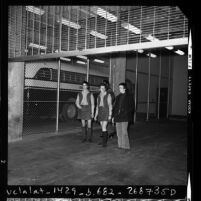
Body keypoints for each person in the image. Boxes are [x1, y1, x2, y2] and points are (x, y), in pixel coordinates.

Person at [112, 82, 134, 152]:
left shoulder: (129, 96)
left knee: (124, 132)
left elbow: (132, 107)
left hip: (125, 117)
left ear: (125, 88)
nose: (119, 89)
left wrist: (126, 112)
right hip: (118, 117)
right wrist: (113, 116)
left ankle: (126, 147)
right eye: (119, 88)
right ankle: (120, 146)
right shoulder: (118, 97)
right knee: (118, 132)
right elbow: (115, 108)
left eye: (121, 88)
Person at [94, 83, 112, 147]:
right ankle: (103, 141)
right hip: (100, 112)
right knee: (102, 128)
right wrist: (95, 115)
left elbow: (110, 105)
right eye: (101, 88)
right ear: (99, 89)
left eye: (103, 88)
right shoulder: (98, 96)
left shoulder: (108, 95)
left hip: (106, 111)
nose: (102, 89)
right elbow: (97, 107)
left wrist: (110, 114)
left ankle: (104, 143)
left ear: (105, 88)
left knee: (104, 127)